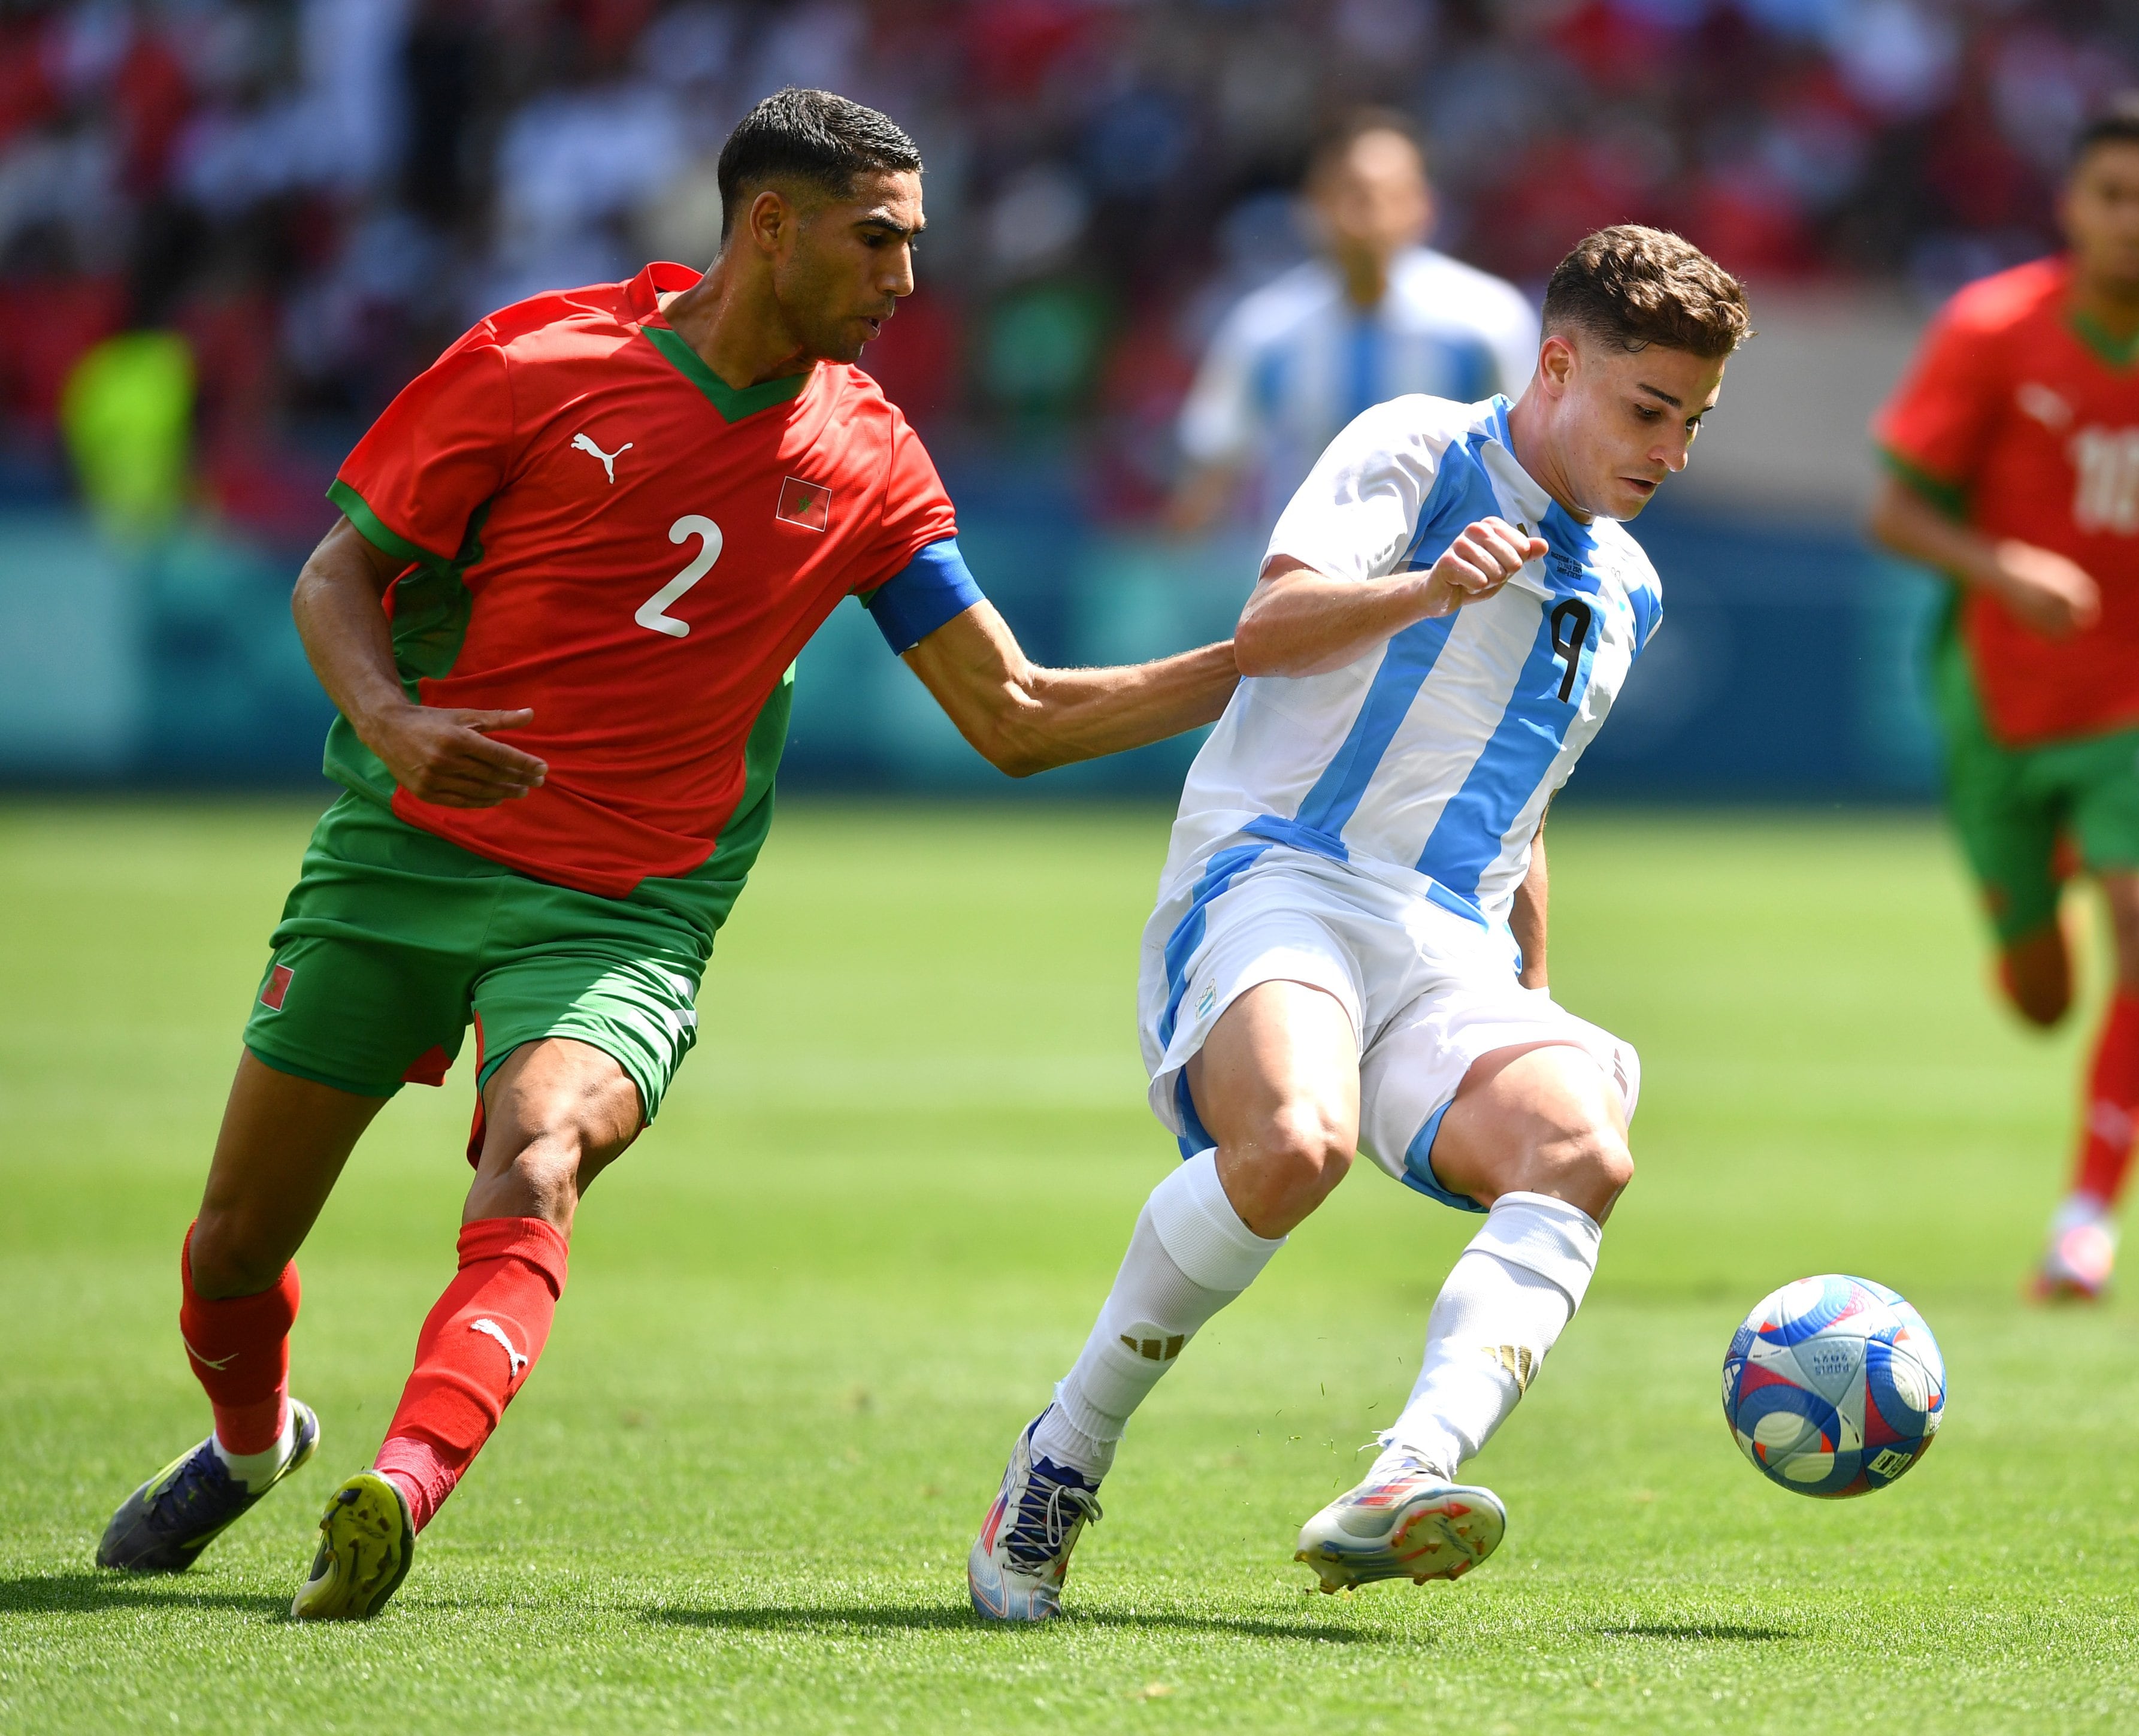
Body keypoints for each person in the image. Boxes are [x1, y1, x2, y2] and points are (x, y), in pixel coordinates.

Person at [93, 87, 1239, 1619]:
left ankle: (403, 1487)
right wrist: (389, 715)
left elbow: (1015, 714)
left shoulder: (873, 457)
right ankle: (250, 1447)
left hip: (625, 909)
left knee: (542, 1151)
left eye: (918, 243)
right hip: (405, 855)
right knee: (235, 1244)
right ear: (771, 225)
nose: (908, 280)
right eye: (878, 239)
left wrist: (1261, 659)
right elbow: (335, 573)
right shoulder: (531, 363)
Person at [969, 226, 1750, 1620]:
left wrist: (1534, 1000)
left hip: (1446, 940)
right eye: (1649, 410)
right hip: (1281, 873)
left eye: (1693, 421)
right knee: (1294, 1145)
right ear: (1559, 366)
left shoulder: (1626, 584)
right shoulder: (1418, 450)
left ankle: (1405, 1476)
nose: (1671, 449)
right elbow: (1268, 624)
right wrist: (1430, 584)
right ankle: (1061, 1457)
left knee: (1582, 1144)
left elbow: (1526, 807)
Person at [1867, 92, 2139, 1302]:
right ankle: (2036, 907)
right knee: (2038, 998)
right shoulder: (1989, 330)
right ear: (2070, 205)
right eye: (2107, 195)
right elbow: (1893, 509)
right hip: (1997, 704)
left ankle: (2082, 1226)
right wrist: (1995, 565)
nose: (2129, 219)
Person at [1166, 109, 1539, 534]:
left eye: (1388, 196)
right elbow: (1213, 466)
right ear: (1312, 206)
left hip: (1449, 583)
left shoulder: (1486, 321)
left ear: (1424, 207)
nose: (1369, 216)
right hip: (1305, 585)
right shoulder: (1266, 330)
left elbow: (1532, 461)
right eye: (1353, 195)